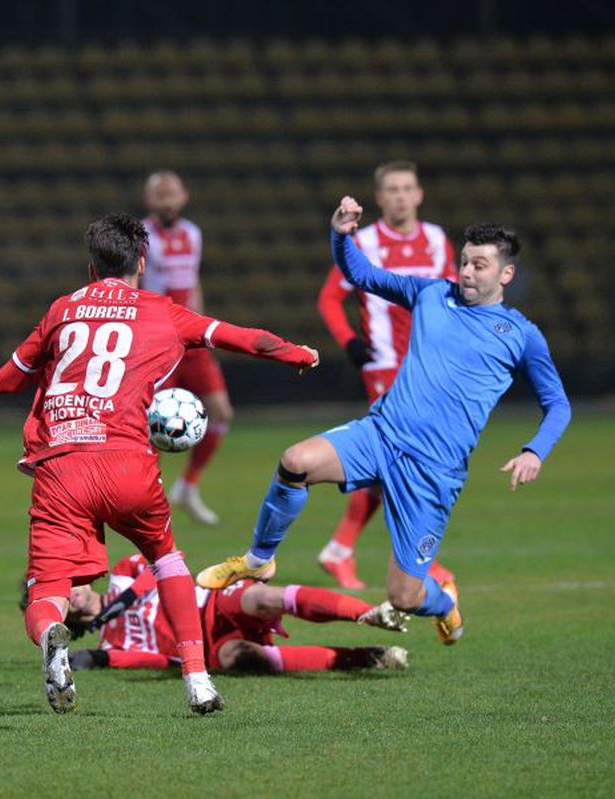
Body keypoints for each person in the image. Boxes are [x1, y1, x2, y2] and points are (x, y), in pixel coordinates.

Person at [198, 196, 571, 647]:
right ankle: (258, 560)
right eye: (465, 261)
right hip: (381, 434)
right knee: (295, 460)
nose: (468, 272)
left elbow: (558, 404)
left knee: (404, 595)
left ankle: (445, 602)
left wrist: (535, 451)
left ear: (506, 274)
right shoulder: (432, 294)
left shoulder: (522, 335)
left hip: (433, 471)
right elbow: (362, 275)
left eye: (481, 265)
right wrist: (342, 235)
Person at [0, 212, 318, 715]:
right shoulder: (164, 312)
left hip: (61, 468)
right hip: (128, 464)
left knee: (50, 588)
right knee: (165, 558)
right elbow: (245, 339)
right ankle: (197, 679)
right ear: (142, 262)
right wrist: (297, 353)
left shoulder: (62, 310)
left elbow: (4, 382)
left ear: (90, 265)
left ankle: (51, 640)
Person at [316, 161, 457, 590]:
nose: (400, 196)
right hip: (385, 367)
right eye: (391, 189)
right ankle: (418, 562)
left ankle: (340, 549)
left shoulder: (436, 239)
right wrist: (350, 343)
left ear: (419, 194)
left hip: (428, 367)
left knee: (395, 465)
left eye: (407, 188)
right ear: (379, 198)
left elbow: (452, 299)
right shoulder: (367, 240)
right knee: (410, 462)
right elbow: (328, 299)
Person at [58, 553, 409, 676]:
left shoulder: (123, 573)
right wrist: (95, 658)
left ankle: (370, 613)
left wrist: (123, 601)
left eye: (67, 584)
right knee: (239, 658)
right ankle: (364, 658)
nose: (70, 593)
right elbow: (153, 661)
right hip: (203, 645)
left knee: (260, 598)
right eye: (60, 598)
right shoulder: (110, 641)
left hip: (207, 601)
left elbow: (166, 561)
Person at [141, 171, 230, 525]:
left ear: (184, 196)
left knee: (221, 413)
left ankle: (188, 486)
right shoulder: (142, 236)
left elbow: (192, 283)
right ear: (149, 201)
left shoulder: (193, 233)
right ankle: (149, 495)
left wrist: (203, 328)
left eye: (171, 194)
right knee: (147, 421)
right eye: (159, 195)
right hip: (158, 339)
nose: (166, 200)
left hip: (191, 337)